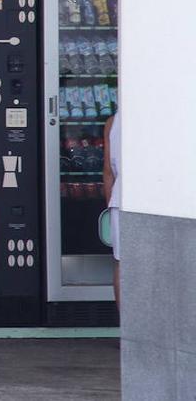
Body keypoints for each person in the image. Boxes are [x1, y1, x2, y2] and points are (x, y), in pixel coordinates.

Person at [102, 111, 120, 307]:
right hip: (155, 202)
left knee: (122, 264)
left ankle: (126, 331)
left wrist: (109, 205)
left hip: (120, 199)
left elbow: (108, 172)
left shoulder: (112, 122)